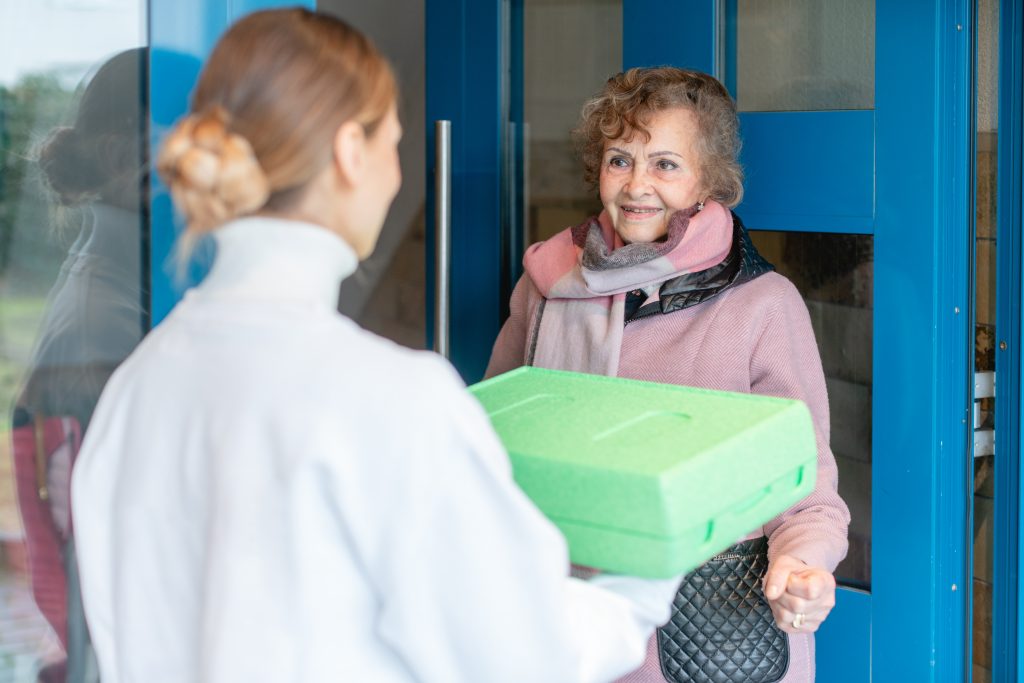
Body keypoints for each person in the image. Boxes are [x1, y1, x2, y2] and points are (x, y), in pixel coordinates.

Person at [70, 10, 688, 683]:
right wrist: (648, 567)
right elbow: (527, 652)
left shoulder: (137, 386)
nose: (397, 178)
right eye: (394, 144)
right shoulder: (389, 399)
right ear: (348, 152)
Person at [486, 67, 851, 683]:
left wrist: (804, 569)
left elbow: (806, 490)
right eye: (620, 160)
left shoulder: (763, 304)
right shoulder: (547, 286)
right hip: (565, 627)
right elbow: (494, 448)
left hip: (708, 634)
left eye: (666, 165)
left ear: (710, 181)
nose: (637, 186)